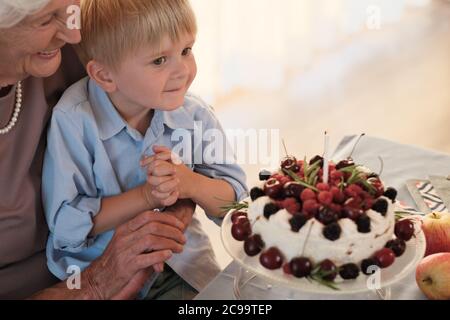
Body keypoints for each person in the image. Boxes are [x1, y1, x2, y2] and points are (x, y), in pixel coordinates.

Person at [42, 0, 248, 299]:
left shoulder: (194, 114)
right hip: (101, 276)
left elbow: (236, 207)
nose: (183, 71)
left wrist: (189, 183)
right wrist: (146, 196)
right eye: (159, 61)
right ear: (105, 76)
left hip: (180, 268)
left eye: (186, 51)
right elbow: (66, 225)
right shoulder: (74, 120)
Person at [0, 0, 192, 300]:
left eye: (72, 9)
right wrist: (94, 286)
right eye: (47, 19)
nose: (76, 35)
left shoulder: (66, 50)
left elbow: (171, 111)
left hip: (150, 268)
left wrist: (177, 205)